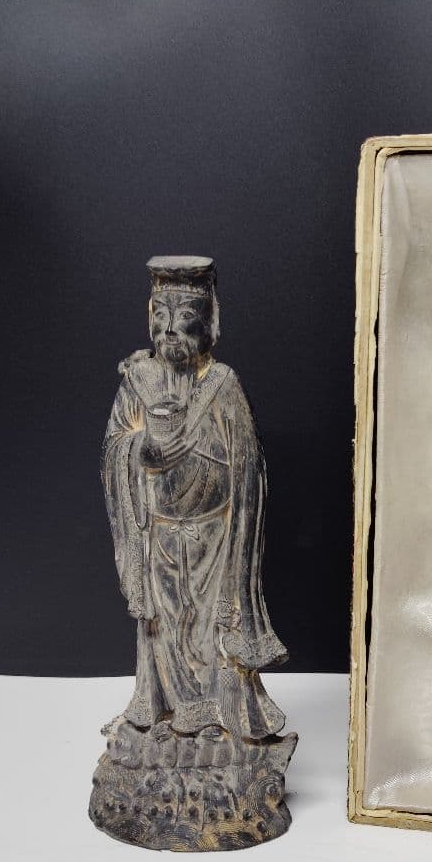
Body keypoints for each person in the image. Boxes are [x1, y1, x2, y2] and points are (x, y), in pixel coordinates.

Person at [101, 256, 288, 740]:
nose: (170, 333)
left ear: (208, 326)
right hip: (159, 534)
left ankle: (219, 718)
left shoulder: (222, 385)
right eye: (160, 319)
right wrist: (141, 449)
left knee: (211, 627)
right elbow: (115, 445)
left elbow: (249, 468)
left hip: (215, 538)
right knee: (166, 625)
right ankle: (170, 711)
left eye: (184, 320)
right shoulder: (138, 382)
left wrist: (238, 532)